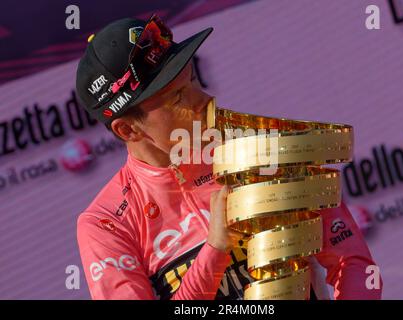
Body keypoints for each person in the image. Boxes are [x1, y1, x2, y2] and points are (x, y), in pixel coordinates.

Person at [75, 15, 382, 300]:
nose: (205, 100)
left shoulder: (264, 152)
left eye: (193, 79)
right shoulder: (106, 223)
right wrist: (217, 249)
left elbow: (354, 263)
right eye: (178, 97)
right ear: (128, 129)